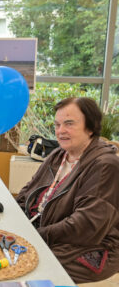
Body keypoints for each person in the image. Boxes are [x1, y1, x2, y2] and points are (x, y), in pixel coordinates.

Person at [16, 97, 119, 283]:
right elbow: (26, 193)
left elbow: (86, 226)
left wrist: (36, 237)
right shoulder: (58, 155)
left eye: (69, 124)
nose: (60, 131)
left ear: (90, 127)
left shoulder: (105, 165)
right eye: (57, 125)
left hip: (89, 247)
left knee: (25, 268)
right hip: (49, 234)